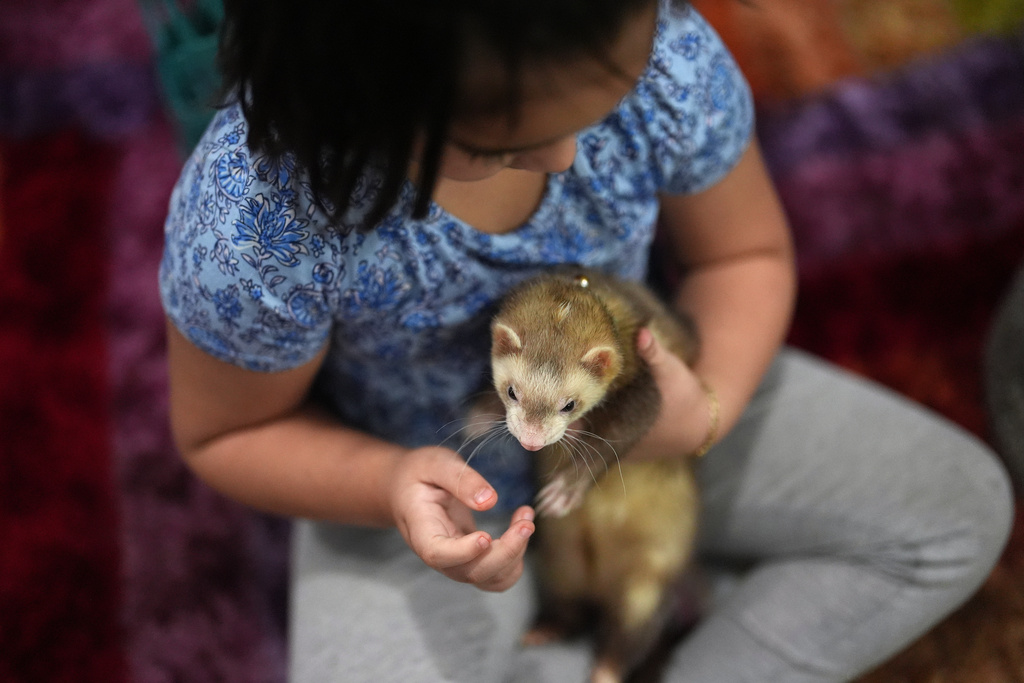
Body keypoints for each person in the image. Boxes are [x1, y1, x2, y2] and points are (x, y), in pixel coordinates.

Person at [158, 0, 1014, 680]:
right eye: (501, 147)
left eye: (602, 106)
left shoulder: (662, 56)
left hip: (646, 421)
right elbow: (227, 431)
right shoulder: (257, 225)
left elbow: (746, 254)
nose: (569, 156)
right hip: (425, 482)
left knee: (955, 510)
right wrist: (386, 483)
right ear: (353, 97)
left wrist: (709, 403)